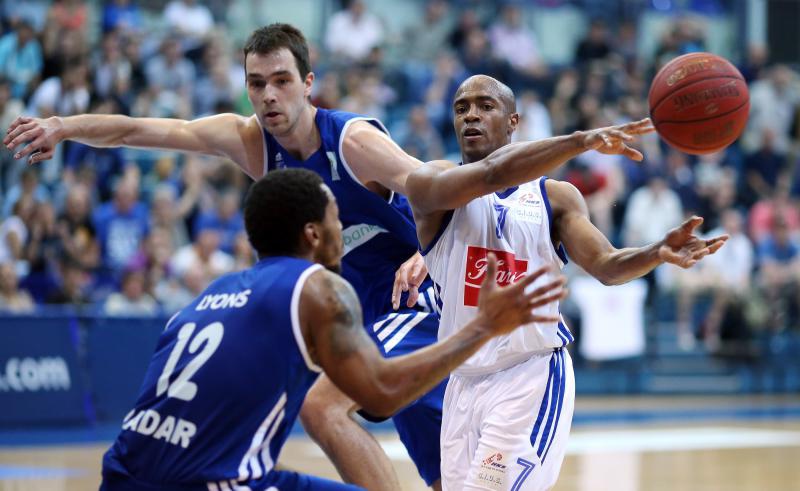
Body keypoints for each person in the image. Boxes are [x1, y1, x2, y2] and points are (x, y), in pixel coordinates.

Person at [4, 24, 654, 490]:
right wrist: (63, 127)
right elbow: (145, 130)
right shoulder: (247, 140)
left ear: (308, 83)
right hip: (345, 315)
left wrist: (431, 254)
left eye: (281, 81)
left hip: (413, 303)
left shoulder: (356, 140)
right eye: (255, 83)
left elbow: (436, 190)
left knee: (322, 407)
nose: (268, 96)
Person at [99, 168, 566, 490]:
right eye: (336, 219)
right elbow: (382, 393)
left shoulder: (208, 295)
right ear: (313, 234)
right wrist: (482, 327)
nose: (343, 230)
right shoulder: (317, 287)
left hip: (120, 472)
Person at [404, 75, 729, 490]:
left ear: (513, 121)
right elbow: (490, 174)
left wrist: (654, 252)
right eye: (461, 107)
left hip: (529, 374)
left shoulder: (555, 197)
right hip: (461, 382)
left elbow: (607, 265)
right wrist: (582, 141)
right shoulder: (429, 184)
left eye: (485, 106)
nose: (471, 115)